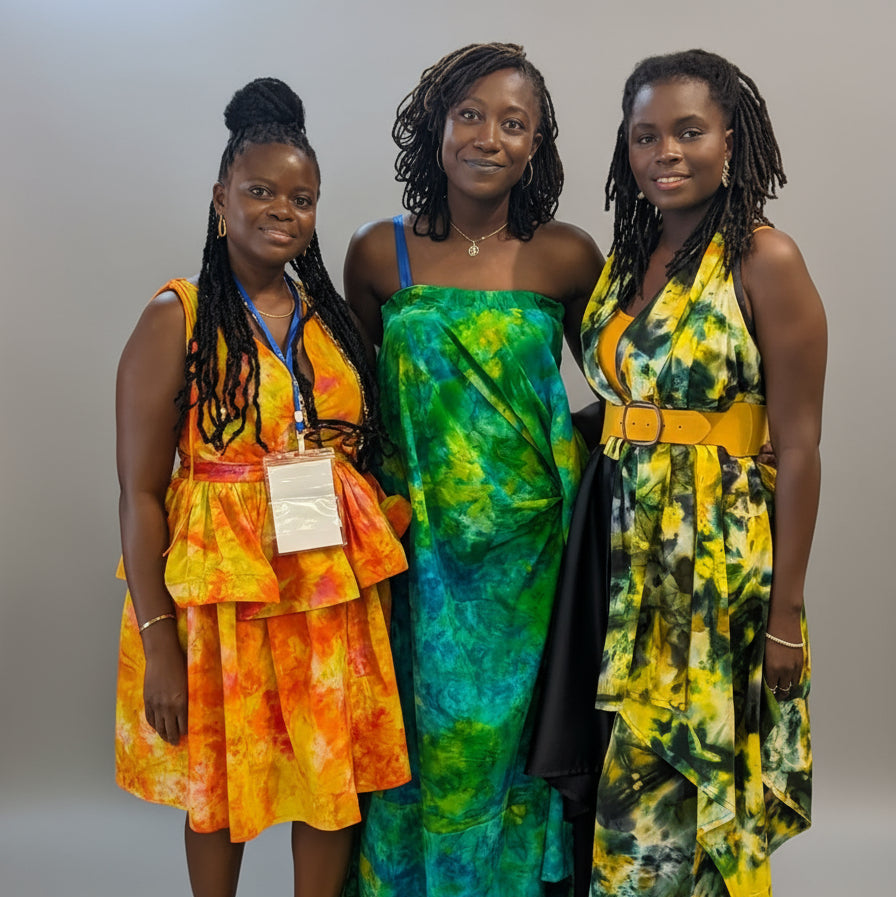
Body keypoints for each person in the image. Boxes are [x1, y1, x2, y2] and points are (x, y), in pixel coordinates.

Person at [534, 49, 825, 897]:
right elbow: (618, 405)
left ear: (731, 139)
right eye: (645, 135)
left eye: (689, 131)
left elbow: (800, 445)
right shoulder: (626, 261)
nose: (667, 151)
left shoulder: (765, 260)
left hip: (713, 563)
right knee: (623, 763)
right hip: (620, 548)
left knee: (691, 783)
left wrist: (786, 616)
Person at [114, 78, 411, 897]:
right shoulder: (177, 316)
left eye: (303, 197)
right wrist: (159, 639)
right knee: (221, 790)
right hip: (223, 605)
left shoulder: (331, 320)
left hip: (324, 593)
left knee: (331, 785)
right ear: (220, 199)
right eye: (259, 191)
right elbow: (139, 494)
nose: (283, 209)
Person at [343, 42, 604, 897]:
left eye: (514, 122)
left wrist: (543, 462)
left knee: (513, 751)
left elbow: (626, 390)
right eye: (471, 115)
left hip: (532, 565)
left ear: (537, 144)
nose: (489, 136)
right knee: (422, 746)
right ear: (437, 126)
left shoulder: (566, 255)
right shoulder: (379, 255)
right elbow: (353, 404)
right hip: (418, 564)